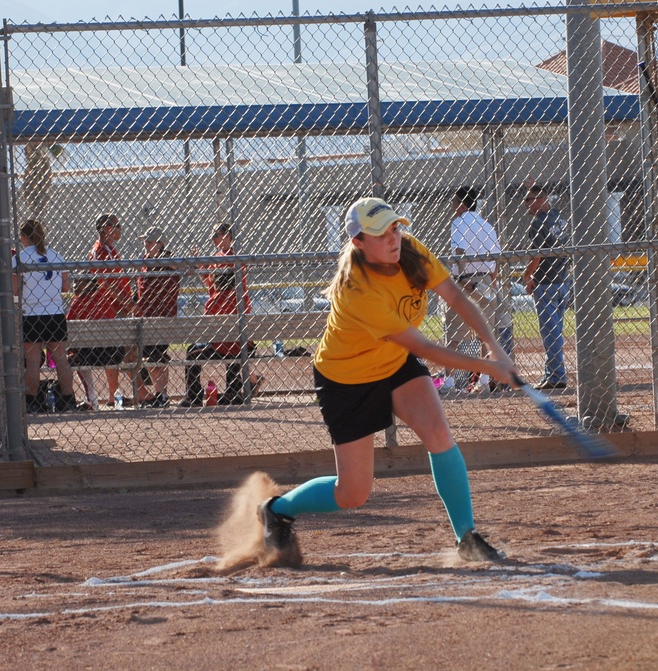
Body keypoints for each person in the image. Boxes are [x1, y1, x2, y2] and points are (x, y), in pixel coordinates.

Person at [254, 197, 520, 567]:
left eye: (396, 227)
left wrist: (494, 348)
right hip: (347, 380)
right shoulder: (358, 290)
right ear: (358, 243)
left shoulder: (408, 251)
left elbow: (455, 296)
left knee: (438, 433)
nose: (394, 238)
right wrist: (488, 366)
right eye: (382, 234)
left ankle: (467, 537)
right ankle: (277, 509)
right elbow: (425, 346)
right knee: (353, 494)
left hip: (394, 365)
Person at [181, 223, 263, 406]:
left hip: (229, 336)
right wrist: (202, 267)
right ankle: (234, 393)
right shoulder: (220, 258)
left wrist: (206, 268)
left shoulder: (233, 259)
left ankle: (195, 397)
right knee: (230, 343)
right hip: (231, 335)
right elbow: (213, 285)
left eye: (216, 235)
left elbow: (220, 287)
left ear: (227, 236)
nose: (213, 239)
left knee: (193, 353)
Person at [445, 186, 513, 391]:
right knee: (486, 335)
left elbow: (459, 251)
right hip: (486, 280)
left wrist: (460, 278)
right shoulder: (486, 225)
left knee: (454, 334)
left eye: (454, 203)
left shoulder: (459, 222)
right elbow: (497, 258)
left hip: (464, 280)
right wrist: (491, 283)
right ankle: (483, 381)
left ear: (462, 204)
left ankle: (448, 381)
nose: (453, 207)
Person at [13, 219, 77, 413]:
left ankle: (32, 401)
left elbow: (15, 291)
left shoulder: (20, 258)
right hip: (55, 312)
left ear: (24, 237)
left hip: (32, 313)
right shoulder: (56, 255)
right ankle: (68, 398)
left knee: (32, 360)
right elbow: (66, 287)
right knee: (60, 357)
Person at [522, 184, 572, 391]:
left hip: (546, 283)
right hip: (563, 280)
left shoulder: (537, 223)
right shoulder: (558, 216)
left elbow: (537, 255)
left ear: (540, 200)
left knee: (550, 332)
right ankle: (551, 374)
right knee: (555, 330)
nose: (525, 205)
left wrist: (527, 275)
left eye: (528, 200)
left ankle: (557, 376)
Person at [88, 213, 134, 405]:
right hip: (112, 308)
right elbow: (106, 284)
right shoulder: (101, 251)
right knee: (121, 349)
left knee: (127, 349)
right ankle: (116, 394)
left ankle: (121, 393)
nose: (120, 229)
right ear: (107, 228)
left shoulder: (110, 250)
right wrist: (128, 303)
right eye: (117, 226)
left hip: (118, 306)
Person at [133, 226, 180, 408]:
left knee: (155, 356)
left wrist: (162, 257)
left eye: (150, 241)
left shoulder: (167, 258)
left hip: (163, 316)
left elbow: (179, 266)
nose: (146, 244)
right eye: (146, 241)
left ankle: (162, 395)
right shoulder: (145, 260)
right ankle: (161, 395)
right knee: (150, 356)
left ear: (160, 244)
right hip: (146, 315)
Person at [66, 277, 125, 410]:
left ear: (90, 286)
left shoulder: (78, 302)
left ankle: (91, 399)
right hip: (114, 354)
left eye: (79, 282)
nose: (75, 285)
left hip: (90, 355)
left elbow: (67, 328)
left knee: (74, 356)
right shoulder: (104, 299)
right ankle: (113, 398)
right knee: (78, 352)